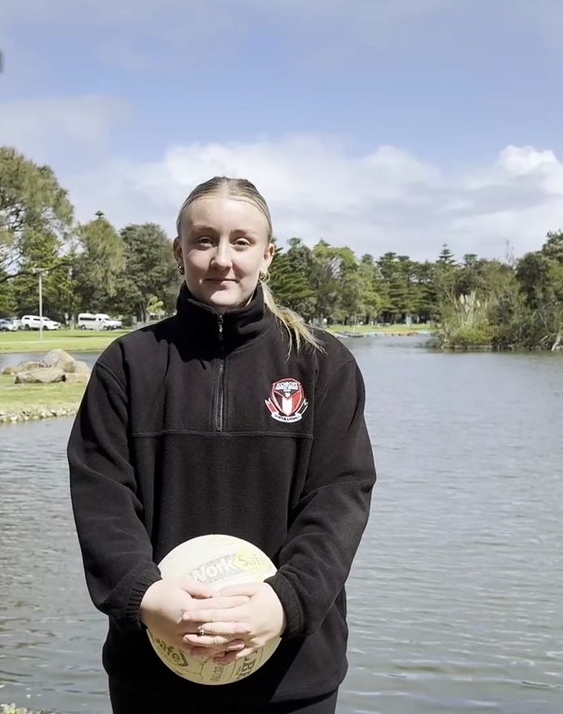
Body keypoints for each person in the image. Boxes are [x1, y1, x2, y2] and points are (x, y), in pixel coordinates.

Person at [66, 175, 378, 713]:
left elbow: (339, 498)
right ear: (179, 252)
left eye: (241, 242)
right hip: (154, 672)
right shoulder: (128, 364)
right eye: (204, 240)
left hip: (292, 675)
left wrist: (285, 603)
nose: (222, 260)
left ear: (267, 255)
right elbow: (102, 498)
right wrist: (145, 596)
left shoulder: (323, 364)